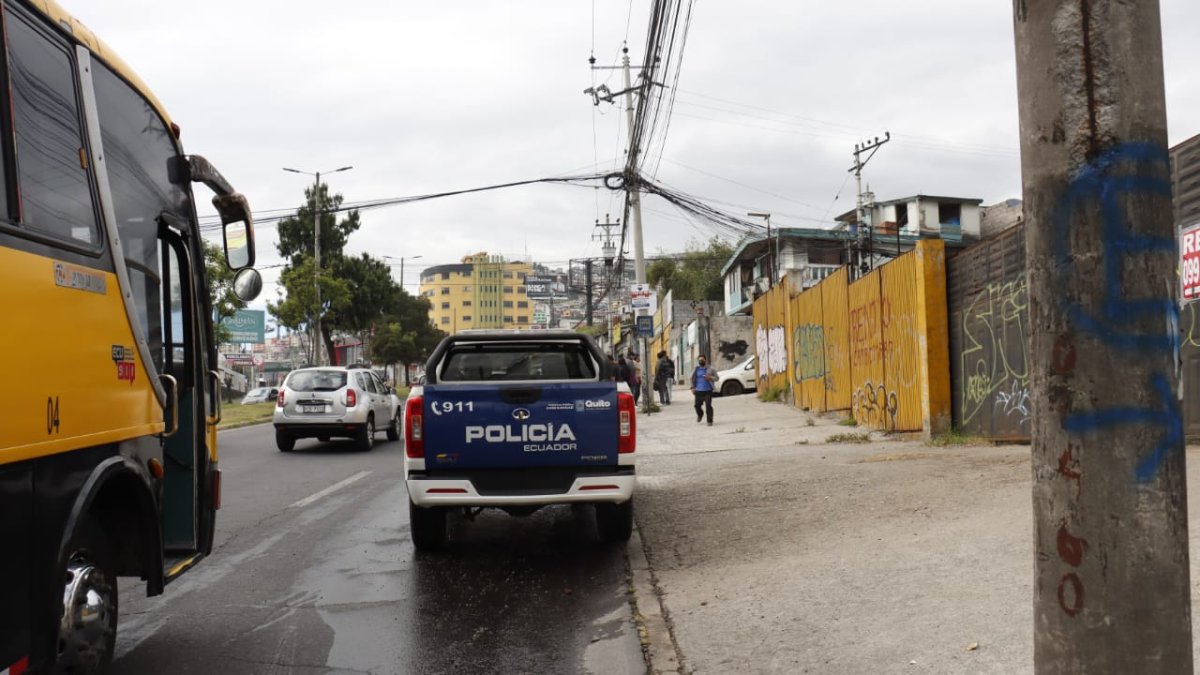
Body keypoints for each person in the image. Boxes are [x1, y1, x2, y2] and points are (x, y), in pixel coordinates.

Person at [690, 355, 717, 425]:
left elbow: (717, 378)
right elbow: (691, 379)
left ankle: (709, 421)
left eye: (702, 360)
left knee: (708, 405)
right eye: (699, 360)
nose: (701, 361)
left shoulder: (711, 369)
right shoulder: (696, 369)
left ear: (705, 360)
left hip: (708, 391)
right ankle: (700, 414)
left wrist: (710, 377)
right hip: (698, 391)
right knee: (697, 406)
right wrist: (692, 388)